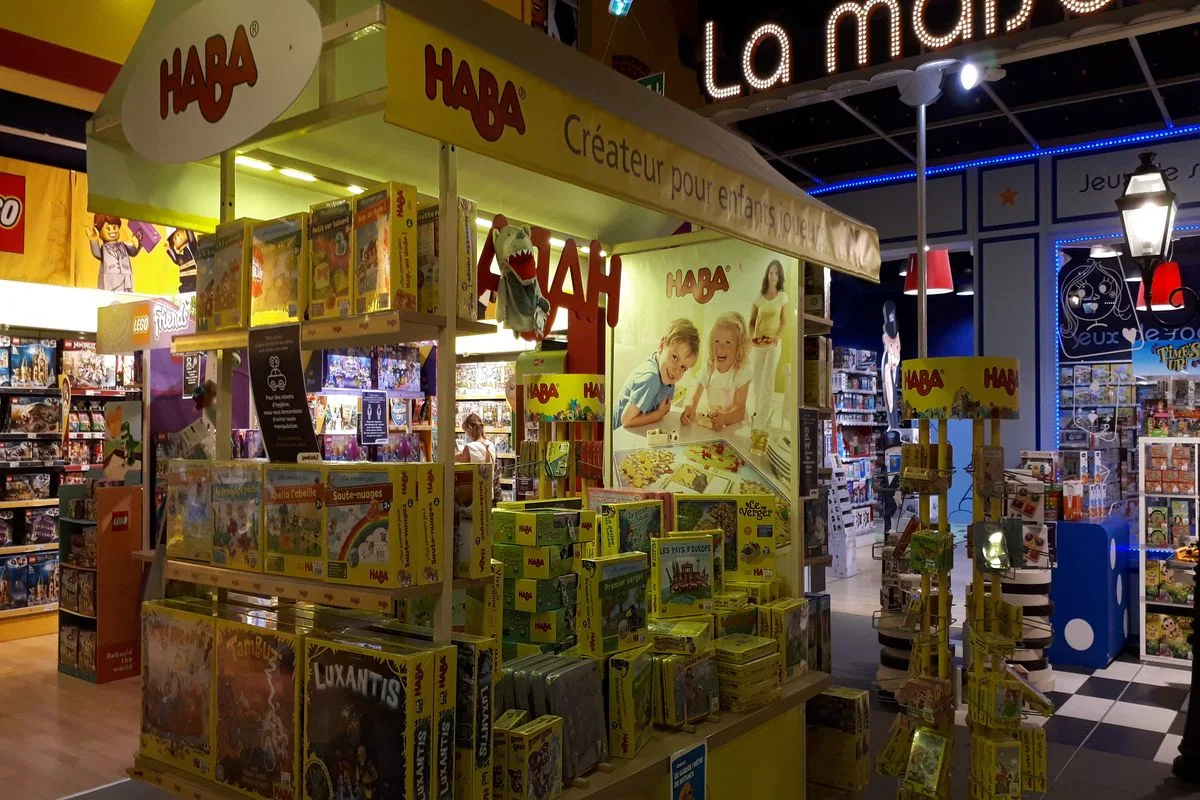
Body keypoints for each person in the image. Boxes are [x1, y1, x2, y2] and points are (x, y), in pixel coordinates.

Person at [613, 318, 700, 430]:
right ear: (662, 345)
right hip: (619, 434)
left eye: (683, 367)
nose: (677, 371)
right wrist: (658, 414)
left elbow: (665, 406)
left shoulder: (668, 373)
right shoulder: (651, 378)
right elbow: (626, 420)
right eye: (675, 357)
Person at [681, 312, 751, 432]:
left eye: (728, 342)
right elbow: (694, 398)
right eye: (717, 341)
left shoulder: (741, 372)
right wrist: (690, 408)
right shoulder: (708, 368)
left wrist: (725, 418)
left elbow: (740, 409)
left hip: (735, 426)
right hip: (715, 423)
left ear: (739, 348)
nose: (720, 347)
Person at [747, 260, 788, 429]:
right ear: (767, 275)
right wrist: (751, 338)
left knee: (767, 380)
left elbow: (784, 322)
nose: (773, 276)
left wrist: (777, 338)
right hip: (759, 343)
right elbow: (752, 322)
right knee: (757, 380)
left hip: (773, 344)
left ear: (780, 276)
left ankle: (763, 420)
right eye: (771, 272)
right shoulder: (759, 297)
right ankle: (756, 414)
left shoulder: (782, 297)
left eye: (776, 273)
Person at [86, 213, 140, 292]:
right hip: (110, 280)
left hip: (126, 280)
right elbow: (97, 254)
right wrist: (93, 239)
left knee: (126, 297)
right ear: (99, 232)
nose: (112, 231)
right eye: (108, 229)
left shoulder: (124, 245)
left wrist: (139, 244)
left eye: (115, 228)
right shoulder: (104, 249)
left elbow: (133, 252)